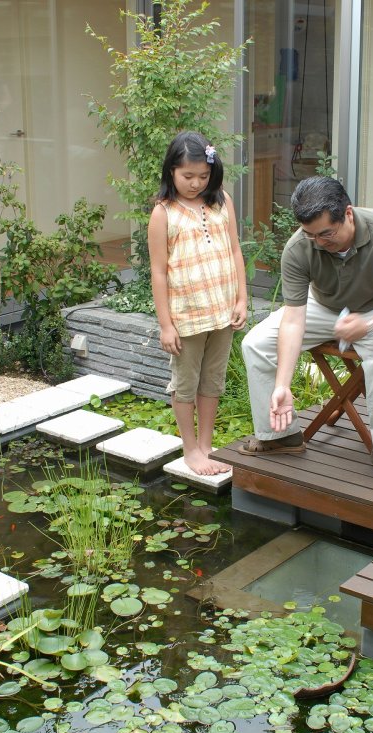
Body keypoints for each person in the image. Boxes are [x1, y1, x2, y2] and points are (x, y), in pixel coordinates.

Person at [240, 176, 373, 493]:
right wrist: (282, 385)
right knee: (255, 343)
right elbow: (293, 319)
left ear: (347, 214)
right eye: (311, 235)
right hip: (321, 306)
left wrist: (367, 325)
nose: (319, 241)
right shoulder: (299, 247)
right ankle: (282, 436)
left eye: (326, 233)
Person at [148, 131, 247, 475]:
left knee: (212, 382)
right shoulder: (163, 213)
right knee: (185, 384)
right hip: (187, 317)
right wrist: (166, 325)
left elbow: (235, 251)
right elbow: (158, 271)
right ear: (171, 171)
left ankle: (206, 445)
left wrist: (242, 299)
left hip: (222, 312)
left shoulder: (222, 201)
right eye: (187, 176)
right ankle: (190, 449)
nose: (195, 183)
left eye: (203, 176)